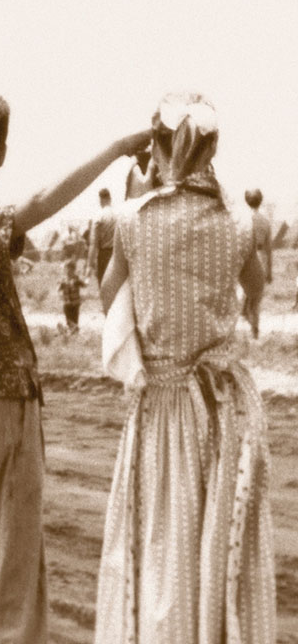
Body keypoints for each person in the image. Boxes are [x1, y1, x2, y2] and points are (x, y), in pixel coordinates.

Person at [0, 90, 149, 644]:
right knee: (12, 593)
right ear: (1, 153)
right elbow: (42, 202)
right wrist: (117, 149)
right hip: (1, 415)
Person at [95, 93, 274, 641]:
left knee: (163, 546)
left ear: (157, 149)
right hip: (225, 408)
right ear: (213, 147)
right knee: (222, 547)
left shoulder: (130, 222)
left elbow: (110, 305)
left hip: (166, 407)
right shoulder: (243, 222)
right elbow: (255, 291)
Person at [84, 187, 116, 282]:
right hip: (119, 255)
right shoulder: (120, 214)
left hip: (105, 256)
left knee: (105, 288)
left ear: (100, 199)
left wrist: (89, 266)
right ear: (110, 199)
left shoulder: (98, 217)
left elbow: (93, 244)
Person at [58, 258, 84, 333]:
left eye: (70, 269)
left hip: (75, 303)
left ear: (74, 270)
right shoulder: (63, 280)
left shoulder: (77, 279)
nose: (68, 271)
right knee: (68, 319)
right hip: (66, 303)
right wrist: (60, 286)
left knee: (75, 318)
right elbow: (58, 290)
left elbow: (84, 285)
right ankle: (70, 330)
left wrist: (79, 281)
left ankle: (75, 331)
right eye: (66, 269)